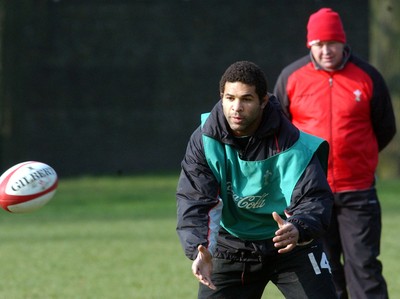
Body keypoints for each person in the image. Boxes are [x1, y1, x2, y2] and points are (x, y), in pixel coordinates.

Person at [176, 60, 337, 299]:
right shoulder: (204, 140)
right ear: (222, 97)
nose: (236, 107)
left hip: (289, 242)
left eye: (246, 99)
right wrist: (200, 249)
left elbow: (313, 199)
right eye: (230, 98)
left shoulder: (295, 145)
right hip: (231, 245)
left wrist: (298, 228)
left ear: (263, 101)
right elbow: (195, 198)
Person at [274, 8, 396, 299]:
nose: (326, 50)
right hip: (311, 195)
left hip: (357, 191)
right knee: (324, 271)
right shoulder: (290, 78)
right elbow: (278, 133)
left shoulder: (368, 77)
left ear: (343, 42)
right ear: (310, 45)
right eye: (319, 44)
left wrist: (361, 159)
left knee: (364, 268)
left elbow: (385, 128)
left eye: (332, 43)